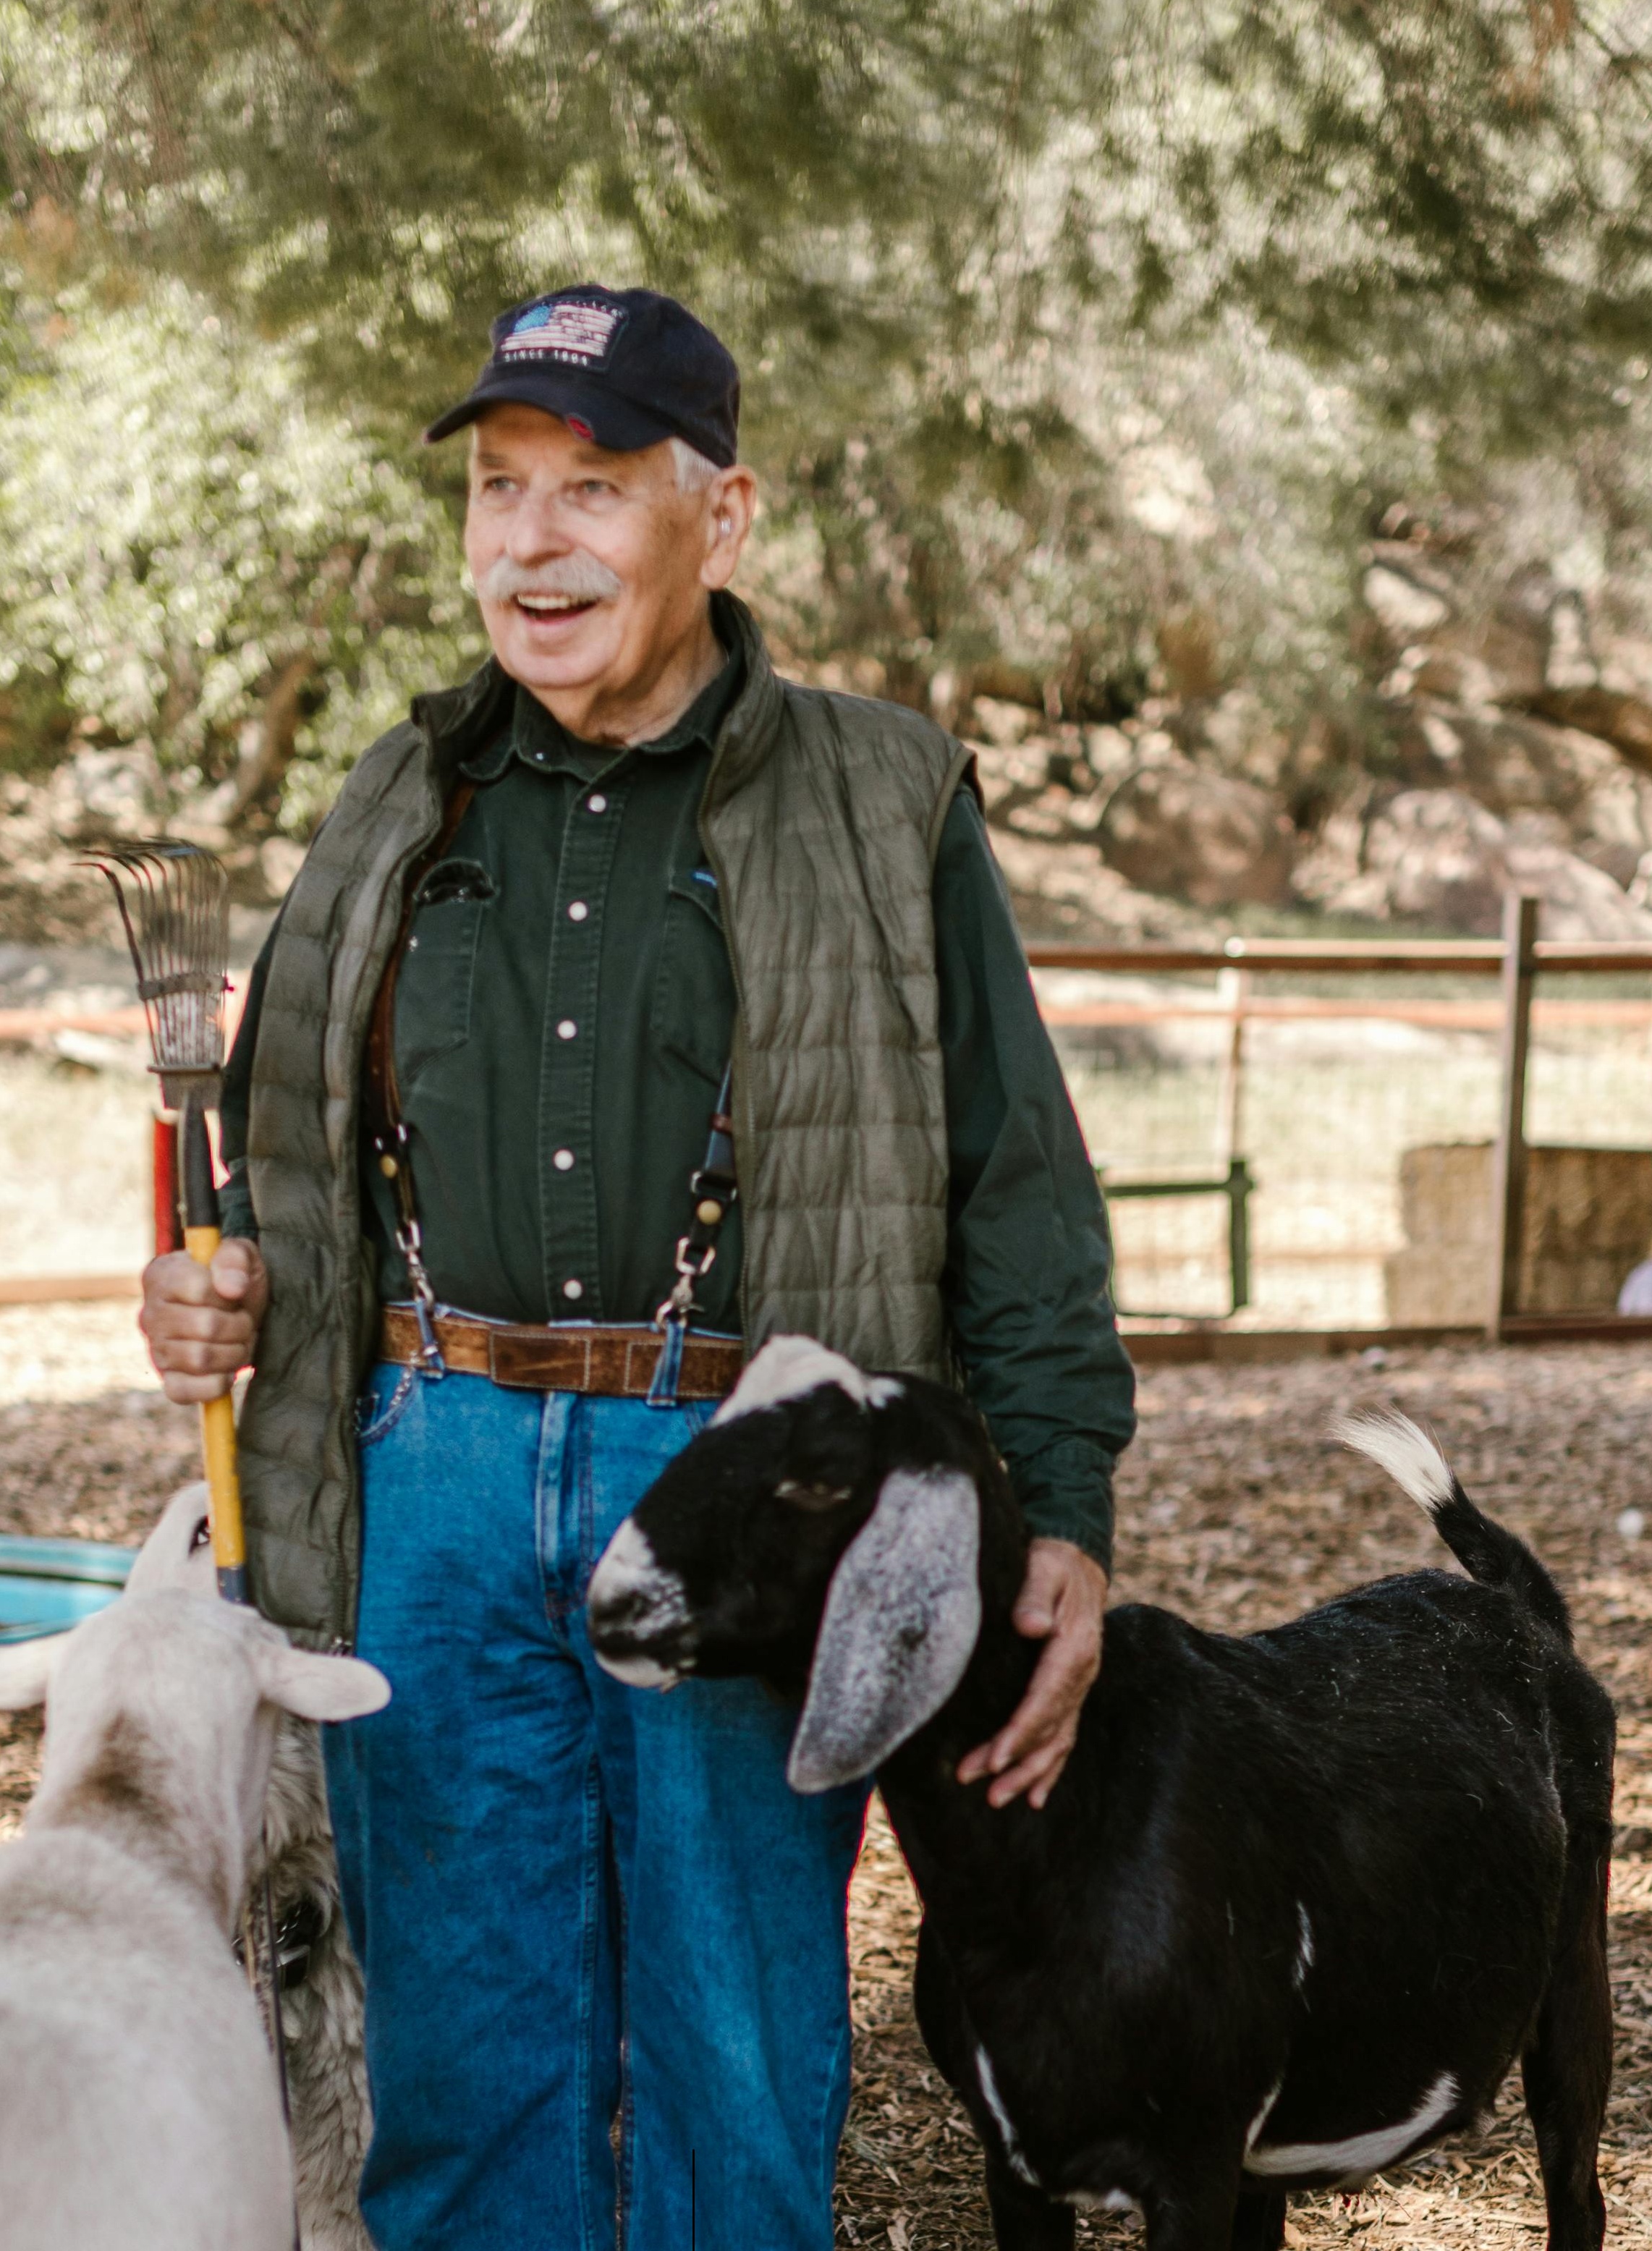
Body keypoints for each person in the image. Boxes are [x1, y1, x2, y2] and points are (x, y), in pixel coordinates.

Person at [137, 283, 1134, 2251]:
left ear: (722, 519)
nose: (528, 542)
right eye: (499, 492)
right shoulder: (393, 801)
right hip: (426, 1468)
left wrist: (1066, 1502)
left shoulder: (885, 797)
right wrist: (215, 1287)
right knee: (463, 2066)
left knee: (729, 2062)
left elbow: (1020, 1188)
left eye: (590, 491)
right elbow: (276, 1172)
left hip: (744, 1498)